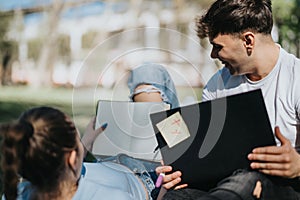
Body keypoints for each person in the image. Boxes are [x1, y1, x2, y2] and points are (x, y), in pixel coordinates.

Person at [156, 0, 300, 199]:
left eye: (217, 46)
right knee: (176, 196)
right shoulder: (218, 84)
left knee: (245, 182)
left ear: (248, 41)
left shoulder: (296, 78)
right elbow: (198, 148)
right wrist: (178, 171)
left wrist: (297, 165)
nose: (213, 54)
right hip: (221, 183)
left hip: (281, 185)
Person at [1, 106, 160, 200]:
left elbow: (58, 166)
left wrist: (84, 144)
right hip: (148, 179)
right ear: (71, 158)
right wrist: (162, 192)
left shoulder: (17, 194)